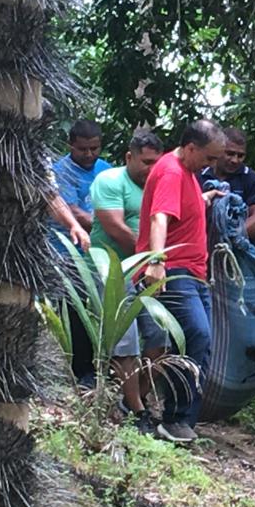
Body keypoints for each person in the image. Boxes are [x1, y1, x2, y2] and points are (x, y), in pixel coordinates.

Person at [137, 119, 226, 443]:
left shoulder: (186, 173)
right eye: (209, 158)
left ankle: (181, 419)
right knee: (195, 335)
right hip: (176, 269)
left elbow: (179, 211)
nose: (211, 165)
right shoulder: (172, 172)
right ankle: (174, 418)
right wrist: (156, 261)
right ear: (190, 148)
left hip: (194, 273)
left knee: (199, 343)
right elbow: (159, 217)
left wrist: (203, 199)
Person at [90, 129, 168, 434]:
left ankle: (134, 399)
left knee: (161, 337)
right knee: (126, 341)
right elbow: (115, 228)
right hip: (112, 268)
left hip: (148, 270)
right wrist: (153, 258)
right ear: (129, 157)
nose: (151, 169)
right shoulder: (110, 180)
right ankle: (137, 410)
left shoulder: (160, 186)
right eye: (146, 162)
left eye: (156, 163)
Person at [52, 119, 112, 386]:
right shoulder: (60, 172)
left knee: (105, 307)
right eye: (82, 149)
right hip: (67, 252)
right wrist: (112, 227)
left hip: (100, 251)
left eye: (94, 148)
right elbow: (73, 211)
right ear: (70, 146)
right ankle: (83, 371)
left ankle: (109, 365)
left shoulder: (106, 170)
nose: (89, 154)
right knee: (74, 309)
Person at [198, 127, 255, 242]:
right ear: (218, 150)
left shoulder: (253, 180)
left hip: (239, 249)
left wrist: (230, 238)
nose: (235, 160)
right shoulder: (199, 175)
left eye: (240, 156)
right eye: (230, 154)